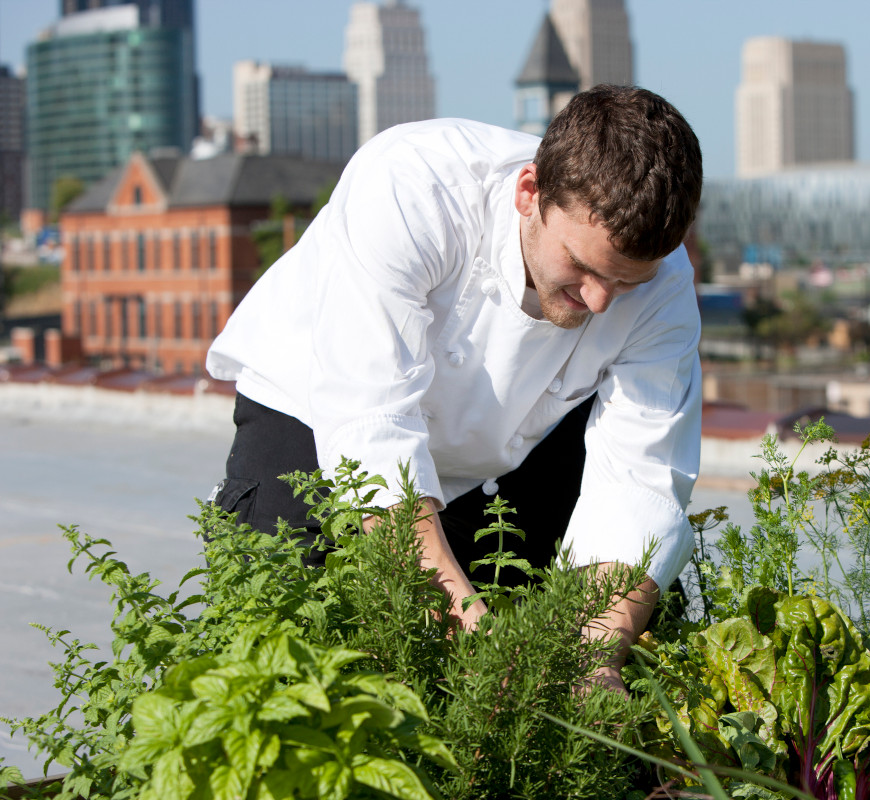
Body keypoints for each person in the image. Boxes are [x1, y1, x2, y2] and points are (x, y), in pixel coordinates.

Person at [205, 85, 704, 690]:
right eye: (583, 266)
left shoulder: (666, 285)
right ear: (529, 194)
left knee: (515, 662)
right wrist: (465, 618)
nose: (600, 300)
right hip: (309, 412)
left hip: (502, 449)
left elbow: (640, 481)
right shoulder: (411, 185)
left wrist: (592, 657)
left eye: (624, 282)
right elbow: (372, 425)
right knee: (271, 647)